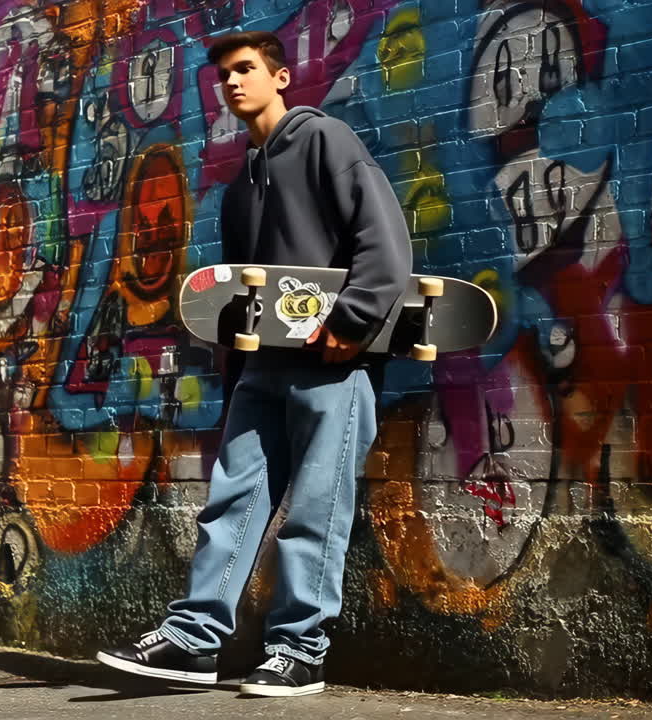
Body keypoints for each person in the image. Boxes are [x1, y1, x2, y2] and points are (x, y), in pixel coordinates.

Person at [96, 31, 412, 697]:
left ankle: (300, 651)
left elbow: (383, 243)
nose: (234, 83)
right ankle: (193, 641)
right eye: (225, 77)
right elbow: (242, 299)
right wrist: (235, 377)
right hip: (260, 371)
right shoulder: (240, 187)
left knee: (317, 509)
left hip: (334, 367)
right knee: (231, 504)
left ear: (280, 77)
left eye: (246, 70)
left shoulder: (326, 140)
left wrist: (352, 322)